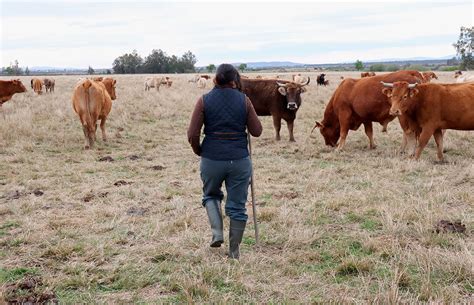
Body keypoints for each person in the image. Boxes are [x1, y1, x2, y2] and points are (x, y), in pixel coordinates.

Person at [187, 64, 262, 259]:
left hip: (211, 158)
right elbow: (257, 131)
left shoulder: (204, 100)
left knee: (210, 195)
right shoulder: (244, 100)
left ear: (215, 79)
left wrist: (200, 151)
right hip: (239, 160)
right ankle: (234, 251)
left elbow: (192, 133)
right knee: (237, 206)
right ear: (235, 80)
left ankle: (217, 233)